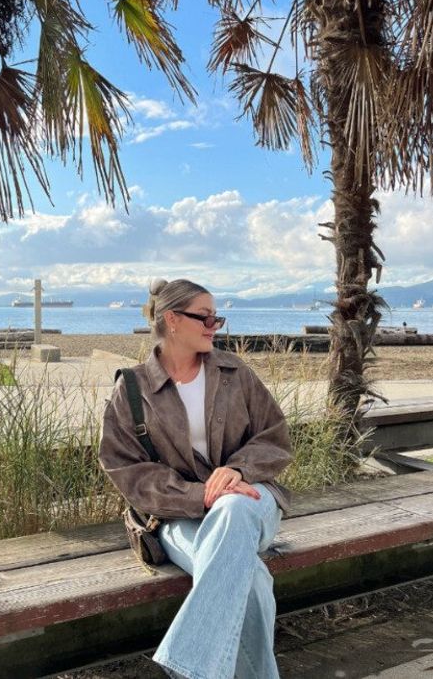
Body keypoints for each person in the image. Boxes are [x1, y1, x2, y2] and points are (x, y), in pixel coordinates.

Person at [99, 278, 292, 679]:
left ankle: (190, 666)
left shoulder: (234, 373)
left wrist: (237, 470)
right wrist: (199, 494)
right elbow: (126, 470)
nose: (214, 326)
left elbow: (275, 436)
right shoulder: (132, 390)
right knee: (252, 580)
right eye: (204, 317)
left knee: (234, 505)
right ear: (171, 320)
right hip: (173, 517)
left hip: (251, 500)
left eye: (216, 318)